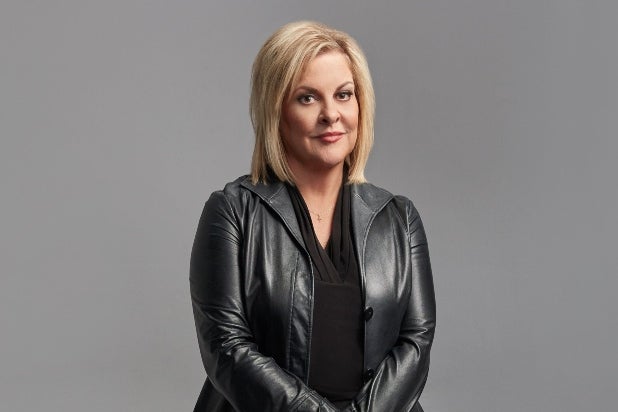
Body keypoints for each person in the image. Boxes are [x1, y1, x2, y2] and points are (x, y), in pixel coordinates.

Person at [190, 21, 436, 412]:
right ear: (276, 111)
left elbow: (416, 340)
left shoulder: (398, 219)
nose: (331, 115)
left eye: (343, 95)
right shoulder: (232, 213)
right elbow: (226, 347)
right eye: (307, 98)